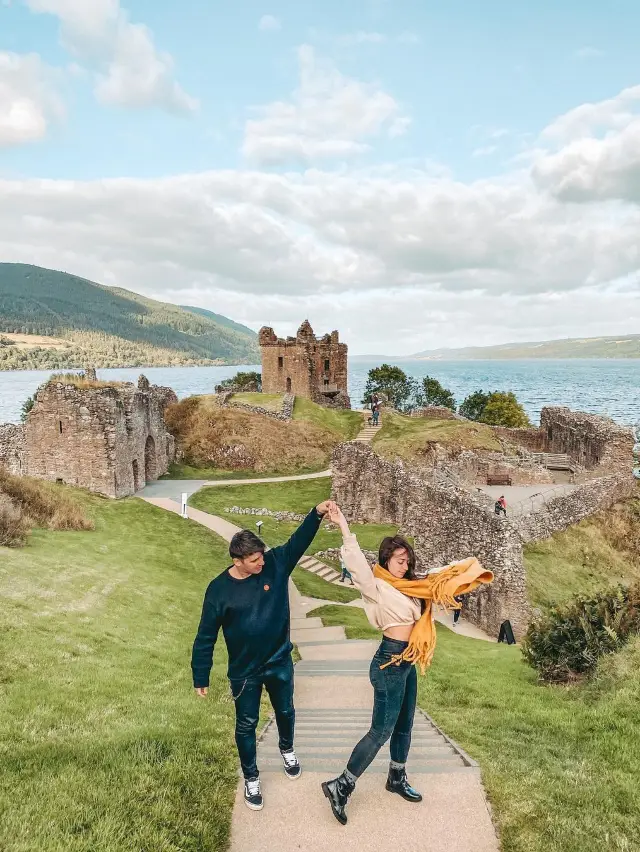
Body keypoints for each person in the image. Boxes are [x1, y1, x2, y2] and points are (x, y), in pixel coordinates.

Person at [321, 504, 493, 826]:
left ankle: (396, 777)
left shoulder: (412, 587)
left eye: (407, 560)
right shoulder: (376, 585)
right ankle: (341, 785)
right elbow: (355, 560)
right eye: (399, 560)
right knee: (380, 731)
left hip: (408, 661)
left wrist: (467, 570)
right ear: (386, 559)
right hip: (389, 660)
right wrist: (343, 524)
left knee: (405, 724)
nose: (405, 565)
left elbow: (442, 575)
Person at [191, 499, 334, 812]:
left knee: (286, 711)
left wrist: (316, 513)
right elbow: (205, 636)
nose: (261, 564)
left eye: (260, 557)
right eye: (254, 560)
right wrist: (200, 674)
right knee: (246, 724)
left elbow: (298, 541)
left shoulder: (276, 563)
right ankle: (251, 778)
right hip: (245, 672)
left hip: (280, 661)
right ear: (238, 560)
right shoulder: (218, 590)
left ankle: (287, 750)